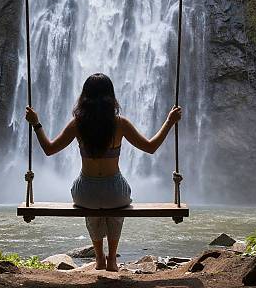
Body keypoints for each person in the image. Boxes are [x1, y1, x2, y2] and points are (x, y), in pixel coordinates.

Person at [25, 73, 182, 272]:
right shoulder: (120, 124)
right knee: (118, 201)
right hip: (115, 192)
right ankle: (112, 259)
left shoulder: (77, 124)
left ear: (85, 96)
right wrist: (169, 121)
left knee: (91, 202)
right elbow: (151, 147)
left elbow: (49, 149)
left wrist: (36, 123)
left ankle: (99, 257)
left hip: (85, 192)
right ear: (111, 96)